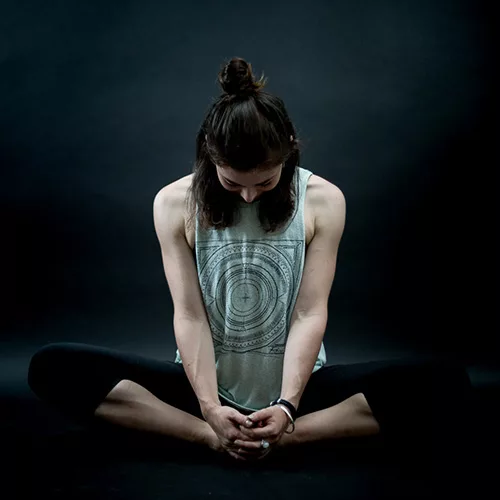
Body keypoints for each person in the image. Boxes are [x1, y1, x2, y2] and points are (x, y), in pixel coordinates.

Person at [27, 57, 472, 465]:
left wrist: (286, 407)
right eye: (231, 182)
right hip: (201, 392)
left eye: (264, 181)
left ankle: (286, 437)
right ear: (208, 152)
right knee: (51, 366)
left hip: (299, 394)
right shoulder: (172, 202)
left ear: (289, 149)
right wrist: (209, 410)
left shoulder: (323, 199)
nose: (247, 194)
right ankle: (208, 436)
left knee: (445, 382)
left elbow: (309, 312)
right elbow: (190, 315)